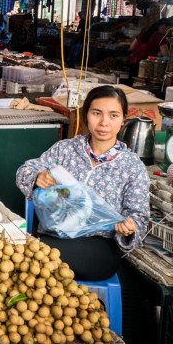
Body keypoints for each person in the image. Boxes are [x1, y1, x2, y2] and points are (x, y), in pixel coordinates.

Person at [15, 85, 149, 281]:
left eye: (113, 115)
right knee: (34, 260)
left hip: (99, 247)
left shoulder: (132, 166)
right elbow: (25, 170)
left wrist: (129, 227)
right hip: (54, 236)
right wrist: (37, 177)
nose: (104, 122)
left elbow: (140, 216)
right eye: (97, 113)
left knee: (31, 255)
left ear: (123, 120)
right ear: (86, 115)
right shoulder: (65, 150)